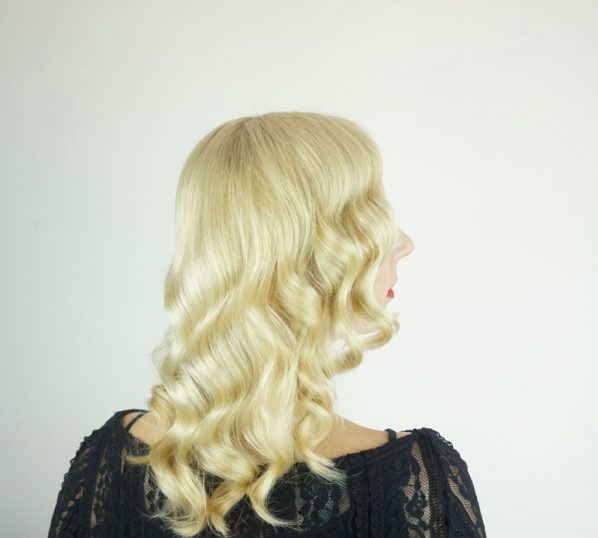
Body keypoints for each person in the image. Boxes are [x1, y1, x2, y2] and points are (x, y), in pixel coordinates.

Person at [48, 111, 487, 537]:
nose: (404, 244)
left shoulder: (107, 459)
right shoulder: (415, 479)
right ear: (304, 252)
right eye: (371, 215)